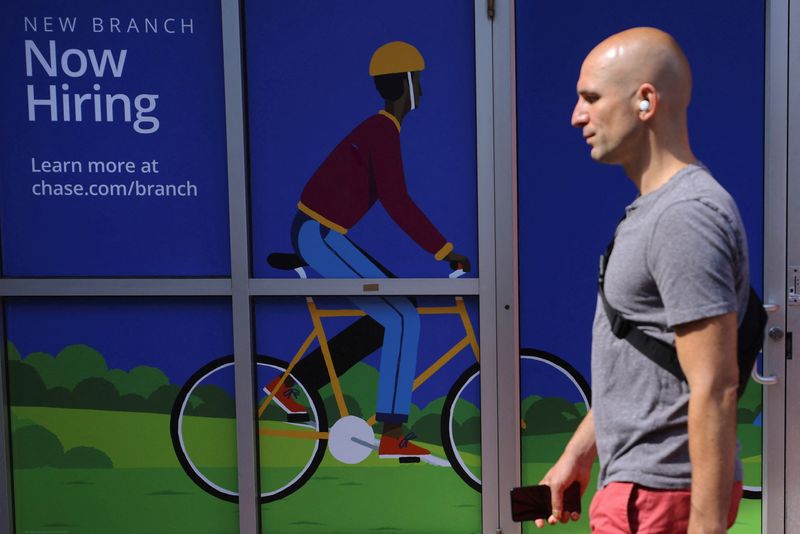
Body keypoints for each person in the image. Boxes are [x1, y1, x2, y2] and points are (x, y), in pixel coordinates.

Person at [535, 28, 747, 533]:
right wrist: (579, 454)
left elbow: (715, 386)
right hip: (638, 490)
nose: (577, 115)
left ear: (646, 101)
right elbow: (646, 363)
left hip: (659, 500)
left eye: (590, 98)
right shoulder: (653, 212)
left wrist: (705, 527)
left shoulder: (684, 216)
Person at [268, 41, 470, 459]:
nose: (424, 89)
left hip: (322, 234)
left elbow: (395, 200)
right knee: (404, 317)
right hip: (318, 235)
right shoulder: (381, 131)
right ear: (405, 85)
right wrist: (445, 251)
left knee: (391, 317)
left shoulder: (382, 131)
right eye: (419, 80)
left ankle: (291, 384)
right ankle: (392, 435)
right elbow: (397, 201)